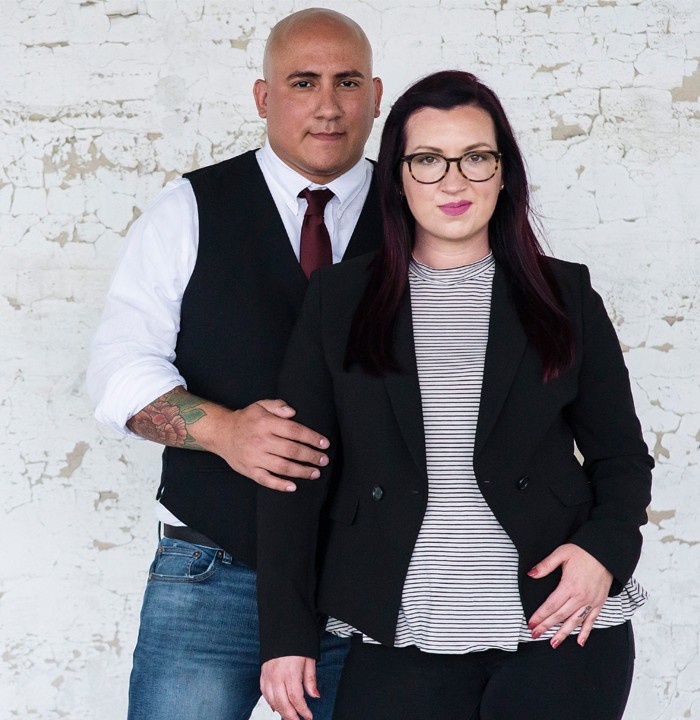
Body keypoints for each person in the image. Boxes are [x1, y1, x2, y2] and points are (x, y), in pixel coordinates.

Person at [256, 70, 653, 720]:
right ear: (398, 177)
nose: (453, 181)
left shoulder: (566, 296)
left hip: (561, 629)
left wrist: (602, 552)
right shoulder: (338, 301)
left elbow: (622, 458)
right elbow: (295, 475)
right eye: (428, 159)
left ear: (503, 172)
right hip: (398, 632)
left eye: (475, 157)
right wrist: (286, 636)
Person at [86, 8, 383, 720]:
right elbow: (117, 368)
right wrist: (223, 431)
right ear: (262, 97)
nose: (328, 106)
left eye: (347, 83)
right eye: (303, 82)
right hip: (212, 571)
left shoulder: (424, 213)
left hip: (372, 581)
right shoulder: (189, 207)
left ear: (375, 97)